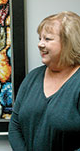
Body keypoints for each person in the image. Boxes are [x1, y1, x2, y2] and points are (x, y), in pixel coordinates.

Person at [8, 11, 80, 150]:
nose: (40, 44)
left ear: (68, 43)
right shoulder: (32, 77)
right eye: (40, 38)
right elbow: (15, 125)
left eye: (47, 39)